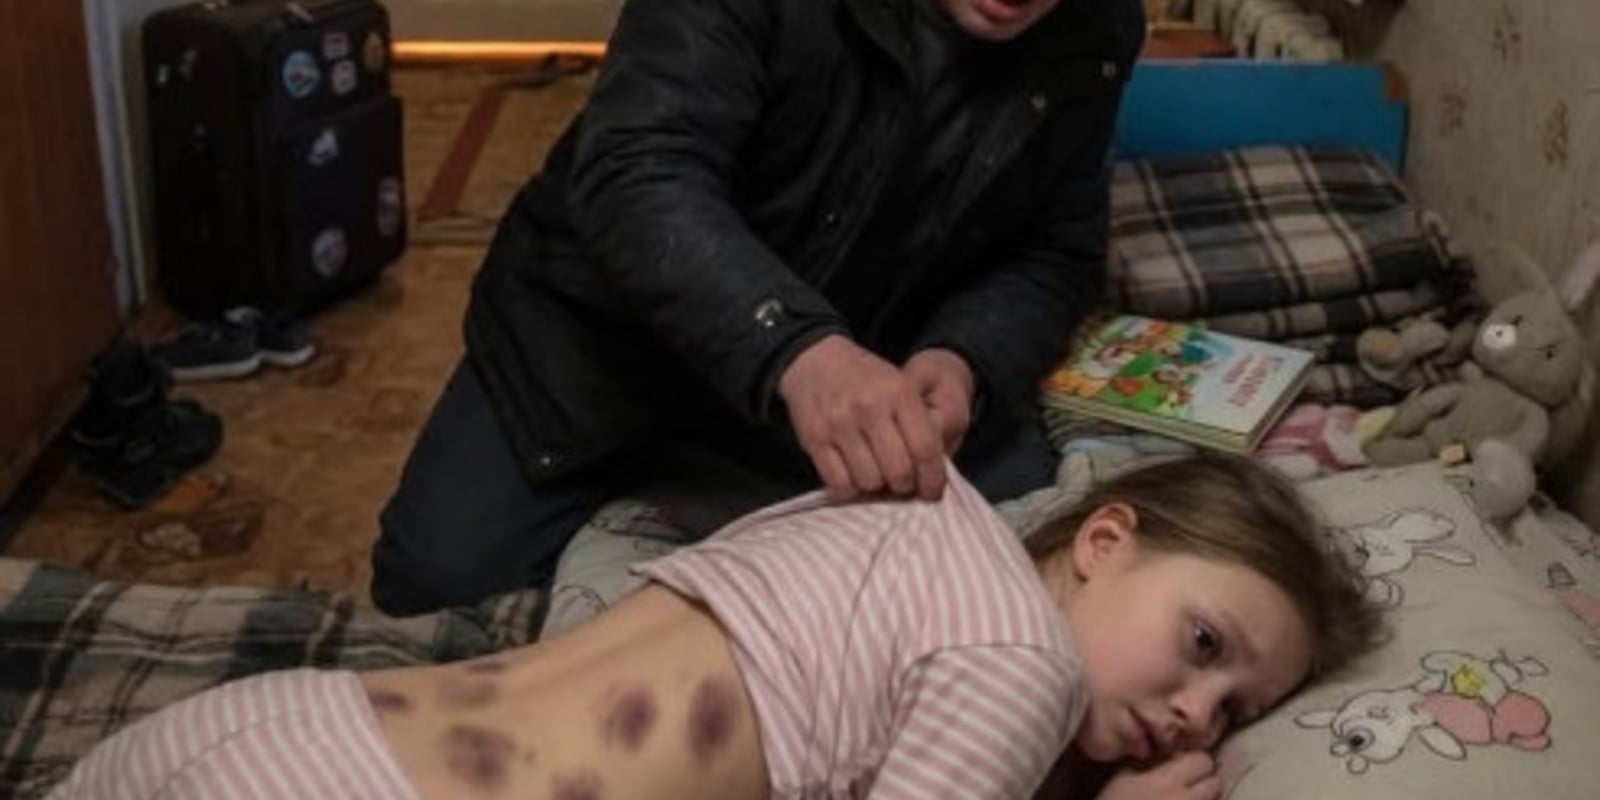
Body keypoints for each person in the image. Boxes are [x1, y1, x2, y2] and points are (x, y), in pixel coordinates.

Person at [369, 0, 1149, 615]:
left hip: (860, 356)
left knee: (1024, 560)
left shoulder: (1099, 25)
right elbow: (641, 174)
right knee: (438, 583)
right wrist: (796, 351)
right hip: (600, 348)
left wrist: (965, 358)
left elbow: (1056, 253)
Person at [50, 454, 1382, 800]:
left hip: (280, 725)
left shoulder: (921, 505)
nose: (1194, 717)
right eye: (1203, 646)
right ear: (1103, 539)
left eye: (1231, 711)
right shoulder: (1020, 665)